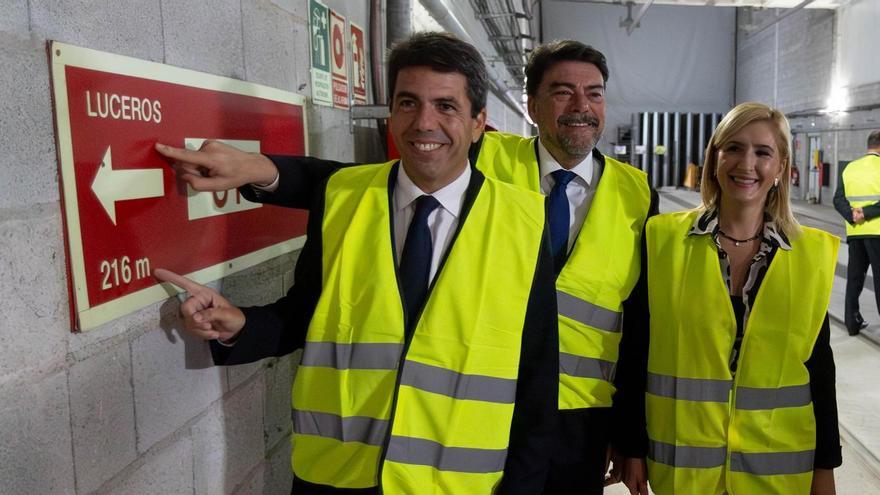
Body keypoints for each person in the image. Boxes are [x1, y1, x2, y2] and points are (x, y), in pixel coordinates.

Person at [156, 39, 658, 494]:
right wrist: (261, 174)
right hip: (343, 470)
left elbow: (627, 329)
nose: (425, 122)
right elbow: (314, 296)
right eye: (408, 104)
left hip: (519, 442)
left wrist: (629, 433)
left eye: (593, 93)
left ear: (477, 119)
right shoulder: (374, 194)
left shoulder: (620, 196)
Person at [620, 102, 841, 494]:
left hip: (776, 469)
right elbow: (636, 350)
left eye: (762, 152)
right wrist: (632, 444)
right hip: (684, 469)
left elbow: (820, 370)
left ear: (781, 166)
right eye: (734, 148)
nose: (746, 164)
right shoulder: (662, 240)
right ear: (714, 158)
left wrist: (825, 468)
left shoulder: (809, 255)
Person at [833, 130, 880, 335]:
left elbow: (838, 199)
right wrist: (866, 213)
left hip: (855, 234)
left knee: (854, 279)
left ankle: (852, 323)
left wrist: (852, 215)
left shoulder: (850, 167)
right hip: (877, 233)